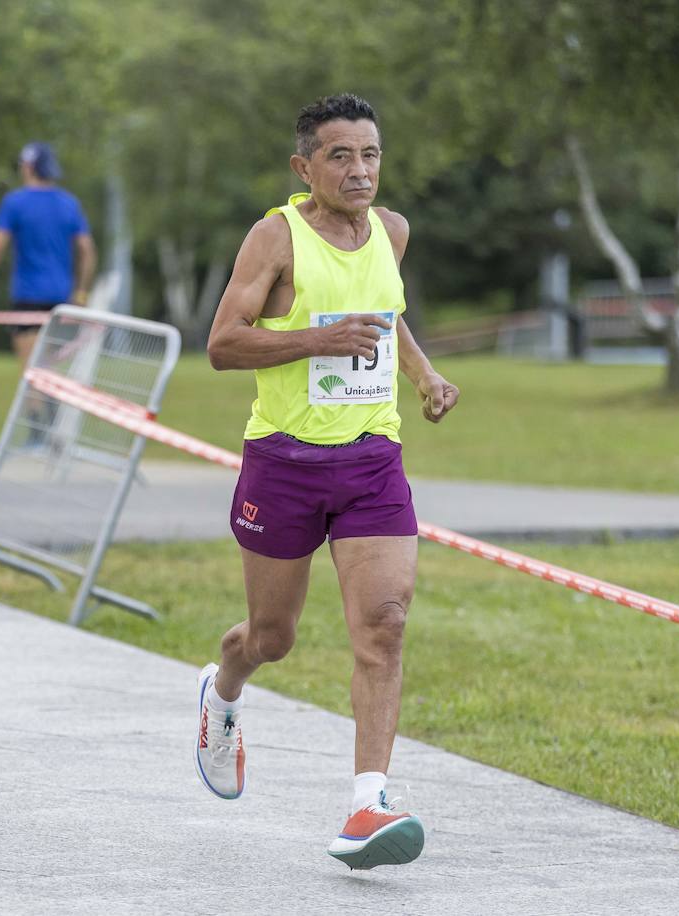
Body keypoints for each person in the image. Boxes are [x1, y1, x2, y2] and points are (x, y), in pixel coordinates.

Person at [197, 94, 460, 869]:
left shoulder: (392, 231)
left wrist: (424, 374)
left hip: (373, 460)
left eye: (370, 154)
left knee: (384, 623)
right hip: (282, 462)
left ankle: (367, 804)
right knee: (271, 637)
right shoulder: (274, 236)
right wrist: (319, 340)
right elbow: (220, 344)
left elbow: (384, 316)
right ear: (303, 165)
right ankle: (224, 690)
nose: (359, 169)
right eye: (340, 155)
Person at [0, 141, 97, 370]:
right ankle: (49, 405)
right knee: (48, 370)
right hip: (61, 299)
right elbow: (87, 250)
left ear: (28, 167)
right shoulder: (69, 203)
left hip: (28, 297)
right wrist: (82, 293)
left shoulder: (16, 202)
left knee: (31, 373)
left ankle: (41, 407)